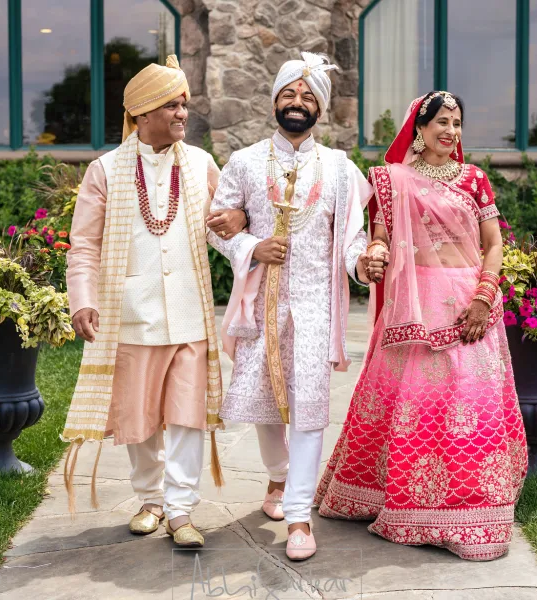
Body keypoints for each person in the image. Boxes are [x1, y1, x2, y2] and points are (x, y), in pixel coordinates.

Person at [313, 92, 527, 561]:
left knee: (469, 403)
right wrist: (374, 254)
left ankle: (473, 511)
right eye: (442, 123)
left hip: (470, 300)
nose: (450, 132)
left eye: (457, 123)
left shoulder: (475, 180)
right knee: (411, 402)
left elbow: (494, 245)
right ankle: (398, 504)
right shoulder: (392, 181)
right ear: (419, 128)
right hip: (415, 301)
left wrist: (484, 297)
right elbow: (382, 236)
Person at [61, 55, 246, 548]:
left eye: (184, 104)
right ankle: (151, 499)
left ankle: (181, 509)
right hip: (132, 314)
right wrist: (81, 300)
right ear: (142, 114)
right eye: (172, 105)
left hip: (189, 311)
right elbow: (85, 245)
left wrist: (248, 245)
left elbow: (222, 228)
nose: (183, 113)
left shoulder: (202, 164)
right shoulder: (105, 170)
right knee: (139, 417)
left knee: (187, 414)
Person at [207, 51, 380, 561]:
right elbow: (218, 225)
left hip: (313, 307)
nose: (297, 103)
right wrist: (249, 248)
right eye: (289, 95)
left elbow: (350, 240)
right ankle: (278, 479)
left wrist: (360, 267)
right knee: (263, 403)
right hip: (262, 303)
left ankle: (300, 515)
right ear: (275, 102)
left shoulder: (341, 170)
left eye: (308, 97)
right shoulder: (243, 161)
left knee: (308, 409)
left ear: (320, 110)